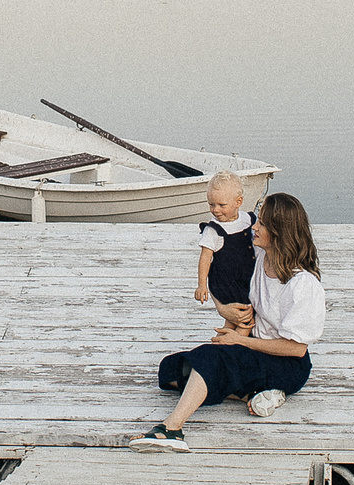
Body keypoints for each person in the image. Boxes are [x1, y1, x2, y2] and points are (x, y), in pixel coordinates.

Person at [134, 191, 322, 452]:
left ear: (279, 232)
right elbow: (226, 279)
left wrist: (239, 343)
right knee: (172, 370)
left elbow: (296, 348)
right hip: (254, 346)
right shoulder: (262, 260)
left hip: (287, 365)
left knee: (212, 360)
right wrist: (226, 312)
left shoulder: (303, 284)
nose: (254, 227)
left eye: (262, 224)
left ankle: (172, 429)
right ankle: (254, 393)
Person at [191, 171, 256, 331]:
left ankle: (222, 342)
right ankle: (230, 346)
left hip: (248, 279)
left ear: (238, 202)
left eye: (222, 205)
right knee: (245, 322)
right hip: (228, 284)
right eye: (211, 204)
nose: (215, 210)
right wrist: (201, 285)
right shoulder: (213, 230)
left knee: (233, 323)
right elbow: (205, 258)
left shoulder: (249, 219)